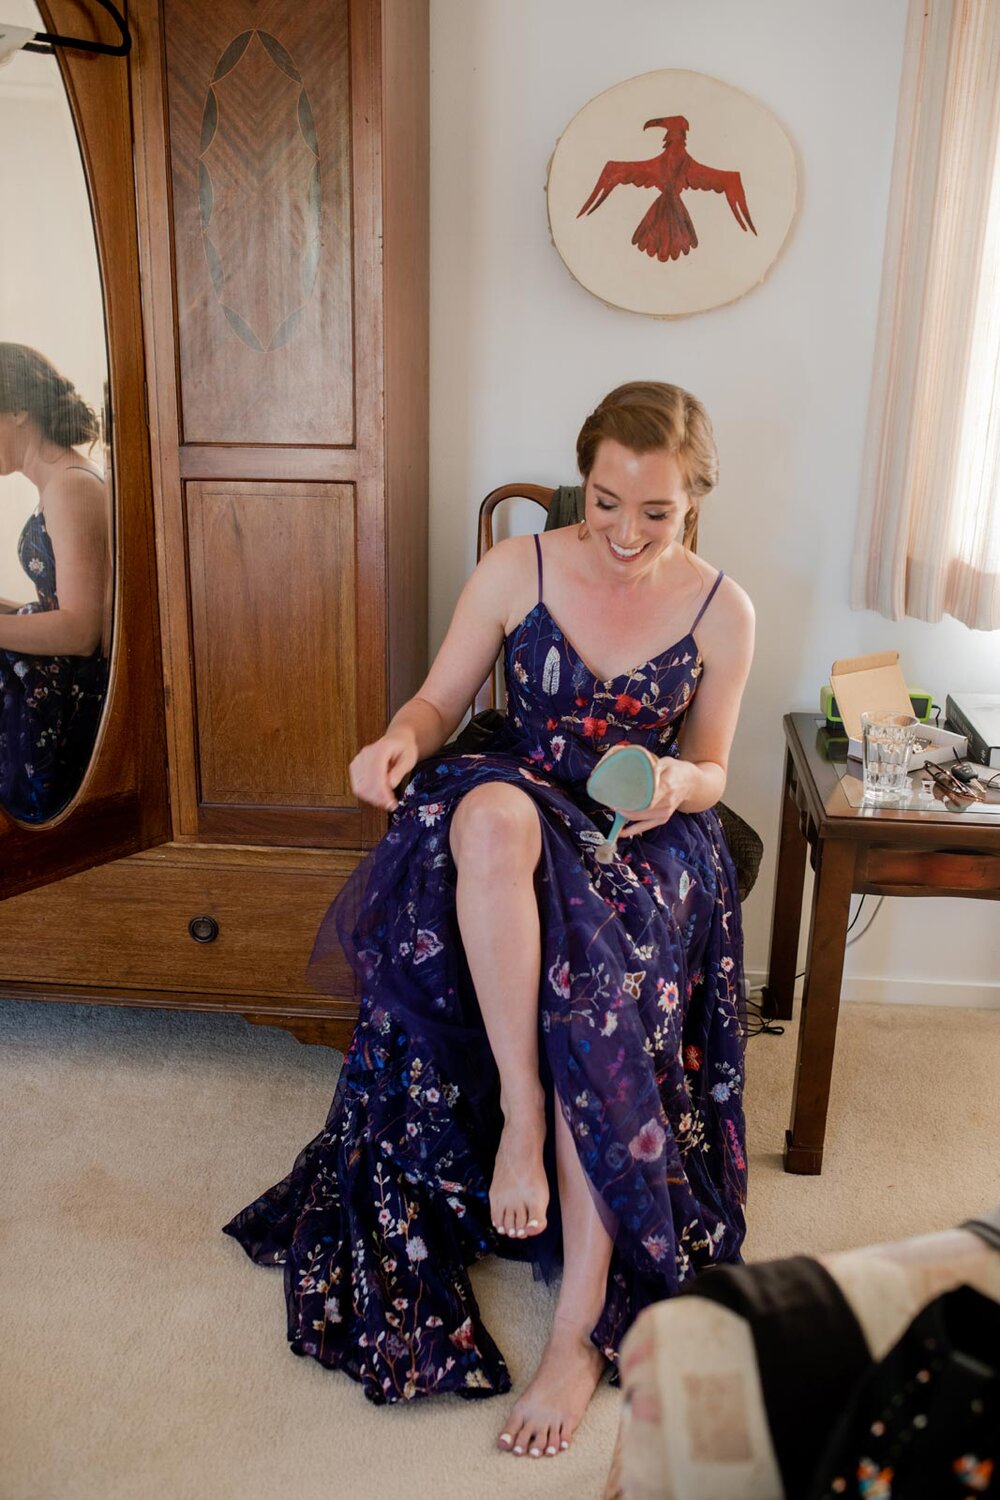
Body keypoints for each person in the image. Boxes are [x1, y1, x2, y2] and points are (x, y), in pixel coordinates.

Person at [224, 381, 755, 1460]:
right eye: (605, 502)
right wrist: (398, 743)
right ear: (583, 481)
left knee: (598, 981)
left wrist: (672, 782)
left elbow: (713, 769)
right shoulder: (517, 567)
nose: (623, 533)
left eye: (655, 513)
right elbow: (438, 701)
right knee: (495, 817)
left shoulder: (721, 608)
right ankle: (520, 1115)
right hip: (519, 795)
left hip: (639, 837)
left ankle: (577, 1333)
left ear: (692, 501)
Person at [0, 343, 110, 823]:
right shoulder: (59, 485)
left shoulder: (73, 487)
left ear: (20, 409)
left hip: (72, 707)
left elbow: (82, 632)